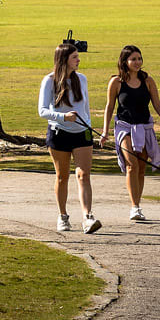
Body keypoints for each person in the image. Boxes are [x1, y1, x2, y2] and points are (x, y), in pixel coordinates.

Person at [102, 44, 160, 222]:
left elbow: (157, 104)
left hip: (144, 128)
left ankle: (137, 204)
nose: (137, 62)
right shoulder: (116, 82)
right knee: (132, 165)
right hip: (124, 128)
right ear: (124, 61)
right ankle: (134, 207)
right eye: (133, 59)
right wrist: (105, 131)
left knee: (141, 168)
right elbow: (110, 106)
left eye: (139, 59)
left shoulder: (148, 80)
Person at [39, 43, 99, 233]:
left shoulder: (82, 79)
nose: (78, 60)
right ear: (64, 59)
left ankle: (87, 217)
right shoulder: (49, 80)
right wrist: (62, 116)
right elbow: (42, 111)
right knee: (62, 176)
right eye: (74, 57)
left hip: (82, 133)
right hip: (59, 133)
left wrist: (88, 125)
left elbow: (86, 107)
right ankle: (63, 216)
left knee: (83, 174)